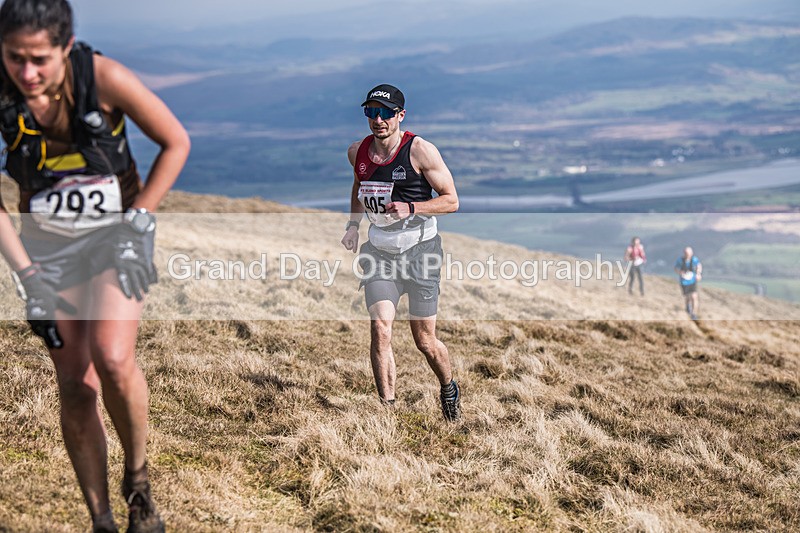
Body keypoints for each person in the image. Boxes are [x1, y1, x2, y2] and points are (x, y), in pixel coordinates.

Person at [0, 1, 190, 531]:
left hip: (116, 238)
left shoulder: (103, 77)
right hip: (46, 249)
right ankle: (101, 519)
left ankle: (138, 479)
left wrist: (140, 222)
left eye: (39, 59)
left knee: (110, 356)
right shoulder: (3, 87)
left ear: (65, 48)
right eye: (15, 58)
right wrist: (27, 275)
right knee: (75, 386)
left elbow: (176, 142)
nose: (27, 73)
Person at [341, 84, 462, 421]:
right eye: (371, 112)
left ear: (400, 116)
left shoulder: (420, 150)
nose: (378, 119)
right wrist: (353, 226)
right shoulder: (357, 152)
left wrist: (412, 207)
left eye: (386, 113)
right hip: (379, 252)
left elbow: (452, 200)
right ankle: (387, 412)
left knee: (425, 340)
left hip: (421, 252)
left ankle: (449, 387)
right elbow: (358, 186)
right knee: (380, 328)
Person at [674, 246, 702, 321]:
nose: (688, 255)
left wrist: (698, 274)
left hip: (692, 281)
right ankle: (687, 306)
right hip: (684, 281)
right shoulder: (680, 260)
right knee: (687, 297)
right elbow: (676, 268)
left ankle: (694, 314)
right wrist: (680, 272)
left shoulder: (694, 259)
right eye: (686, 253)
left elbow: (699, 265)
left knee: (694, 296)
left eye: (689, 253)